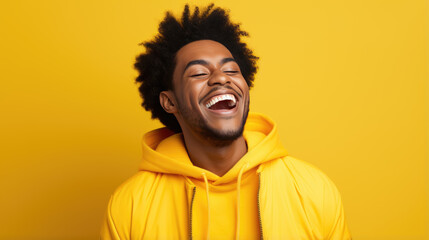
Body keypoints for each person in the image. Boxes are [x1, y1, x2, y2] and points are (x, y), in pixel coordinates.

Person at [100, 4, 351, 240]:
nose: (221, 78)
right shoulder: (130, 205)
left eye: (231, 70)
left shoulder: (313, 190)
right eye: (199, 73)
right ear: (170, 102)